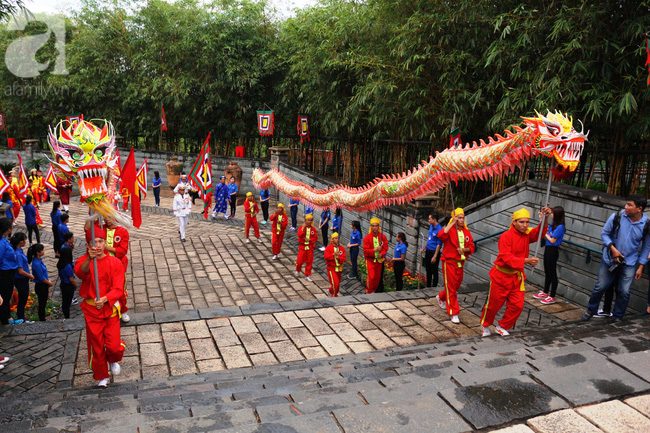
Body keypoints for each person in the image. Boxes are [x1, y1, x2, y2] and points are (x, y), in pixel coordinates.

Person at [481, 207, 551, 337]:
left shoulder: (526, 234)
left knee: (517, 306)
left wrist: (546, 218)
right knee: (493, 305)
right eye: (521, 222)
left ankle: (502, 326)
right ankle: (485, 324)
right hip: (501, 277)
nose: (525, 225)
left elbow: (539, 232)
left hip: (516, 277)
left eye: (527, 222)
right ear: (514, 222)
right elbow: (506, 258)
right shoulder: (505, 236)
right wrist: (526, 261)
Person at [582, 195, 650, 322]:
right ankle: (591, 310)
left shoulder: (646, 224)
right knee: (601, 286)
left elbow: (646, 247)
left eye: (630, 205)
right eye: (626, 204)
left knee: (624, 291)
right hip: (609, 259)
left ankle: (618, 316)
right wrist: (613, 249)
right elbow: (605, 234)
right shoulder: (617, 216)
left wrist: (641, 266)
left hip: (629, 262)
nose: (626, 207)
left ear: (639, 209)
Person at [75, 231, 125, 387]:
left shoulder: (115, 262)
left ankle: (113, 358)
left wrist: (105, 299)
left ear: (105, 244)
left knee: (114, 346)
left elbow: (118, 288)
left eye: (100, 241)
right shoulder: (84, 260)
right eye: (93, 242)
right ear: (87, 245)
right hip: (91, 311)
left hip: (109, 309)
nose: (97, 245)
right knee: (96, 345)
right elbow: (80, 273)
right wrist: (90, 259)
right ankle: (102, 375)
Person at [85, 218, 131, 323]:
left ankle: (123, 310)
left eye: (110, 217)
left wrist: (106, 247)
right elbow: (87, 229)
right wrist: (93, 211)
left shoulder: (122, 231)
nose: (108, 219)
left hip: (118, 266)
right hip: (102, 265)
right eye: (105, 216)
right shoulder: (101, 229)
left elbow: (122, 251)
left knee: (120, 291)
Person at [436, 208, 475, 324]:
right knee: (452, 288)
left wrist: (464, 249)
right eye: (459, 217)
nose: (461, 220)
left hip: (460, 263)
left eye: (462, 217)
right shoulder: (450, 230)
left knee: (456, 285)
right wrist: (452, 222)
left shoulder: (467, 232)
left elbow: (472, 247)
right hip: (449, 262)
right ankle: (454, 312)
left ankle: (441, 296)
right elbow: (440, 235)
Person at [533, 206, 566, 305]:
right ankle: (545, 292)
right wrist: (542, 218)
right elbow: (546, 226)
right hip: (548, 248)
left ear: (557, 215)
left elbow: (552, 240)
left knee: (552, 273)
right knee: (547, 271)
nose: (551, 215)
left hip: (553, 250)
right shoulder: (553, 224)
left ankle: (552, 296)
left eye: (552, 213)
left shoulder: (560, 227)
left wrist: (545, 234)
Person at [11, 232, 33, 324]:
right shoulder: (18, 254)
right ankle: (21, 318)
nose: (25, 241)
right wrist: (31, 276)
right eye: (24, 239)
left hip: (22, 279)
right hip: (21, 279)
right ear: (20, 242)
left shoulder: (19, 250)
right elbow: (20, 271)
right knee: (22, 299)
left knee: (23, 298)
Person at [29, 243, 53, 322]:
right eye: (42, 250)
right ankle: (42, 319)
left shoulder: (39, 261)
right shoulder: (36, 263)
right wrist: (49, 283)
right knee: (42, 304)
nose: (44, 251)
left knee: (43, 302)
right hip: (41, 286)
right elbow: (41, 277)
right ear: (38, 252)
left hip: (43, 285)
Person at [363, 217, 389, 294]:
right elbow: (365, 251)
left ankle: (374, 290)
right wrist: (374, 250)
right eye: (373, 226)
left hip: (379, 261)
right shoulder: (367, 238)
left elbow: (385, 247)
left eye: (376, 226)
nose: (375, 227)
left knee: (377, 278)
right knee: (371, 276)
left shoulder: (382, 236)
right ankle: (369, 291)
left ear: (378, 227)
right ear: (371, 227)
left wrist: (382, 253)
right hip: (370, 260)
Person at [0, 217, 18, 325]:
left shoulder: (4, 240)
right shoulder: (1, 243)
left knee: (7, 296)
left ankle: (7, 317)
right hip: (5, 273)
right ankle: (5, 320)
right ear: (8, 229)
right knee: (5, 297)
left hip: (9, 272)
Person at [422, 213, 442, 288]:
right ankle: (428, 286)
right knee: (428, 270)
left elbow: (439, 244)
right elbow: (429, 239)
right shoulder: (431, 227)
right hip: (428, 251)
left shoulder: (439, 229)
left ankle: (434, 287)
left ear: (434, 219)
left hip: (434, 252)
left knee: (434, 270)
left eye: (430, 219)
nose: (428, 220)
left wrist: (435, 256)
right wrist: (424, 248)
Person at [296, 214, 318, 282]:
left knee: (309, 262)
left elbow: (315, 238)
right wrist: (303, 227)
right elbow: (299, 235)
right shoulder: (302, 227)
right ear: (305, 220)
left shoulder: (313, 229)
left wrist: (310, 240)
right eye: (308, 220)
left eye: (310, 220)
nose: (309, 222)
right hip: (302, 247)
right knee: (299, 261)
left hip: (310, 248)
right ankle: (298, 270)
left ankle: (307, 274)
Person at [57, 247, 77, 319]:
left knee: (64, 302)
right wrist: (75, 285)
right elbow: (71, 279)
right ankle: (67, 317)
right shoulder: (67, 266)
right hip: (68, 286)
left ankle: (66, 315)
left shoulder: (60, 263)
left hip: (63, 284)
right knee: (67, 303)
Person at [324, 232, 346, 297]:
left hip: (339, 269)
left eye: (338, 238)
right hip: (331, 268)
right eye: (335, 238)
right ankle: (334, 296)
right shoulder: (328, 248)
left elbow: (344, 258)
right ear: (332, 240)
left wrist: (339, 258)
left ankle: (331, 291)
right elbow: (326, 257)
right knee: (335, 284)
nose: (337, 240)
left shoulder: (341, 248)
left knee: (337, 285)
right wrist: (333, 254)